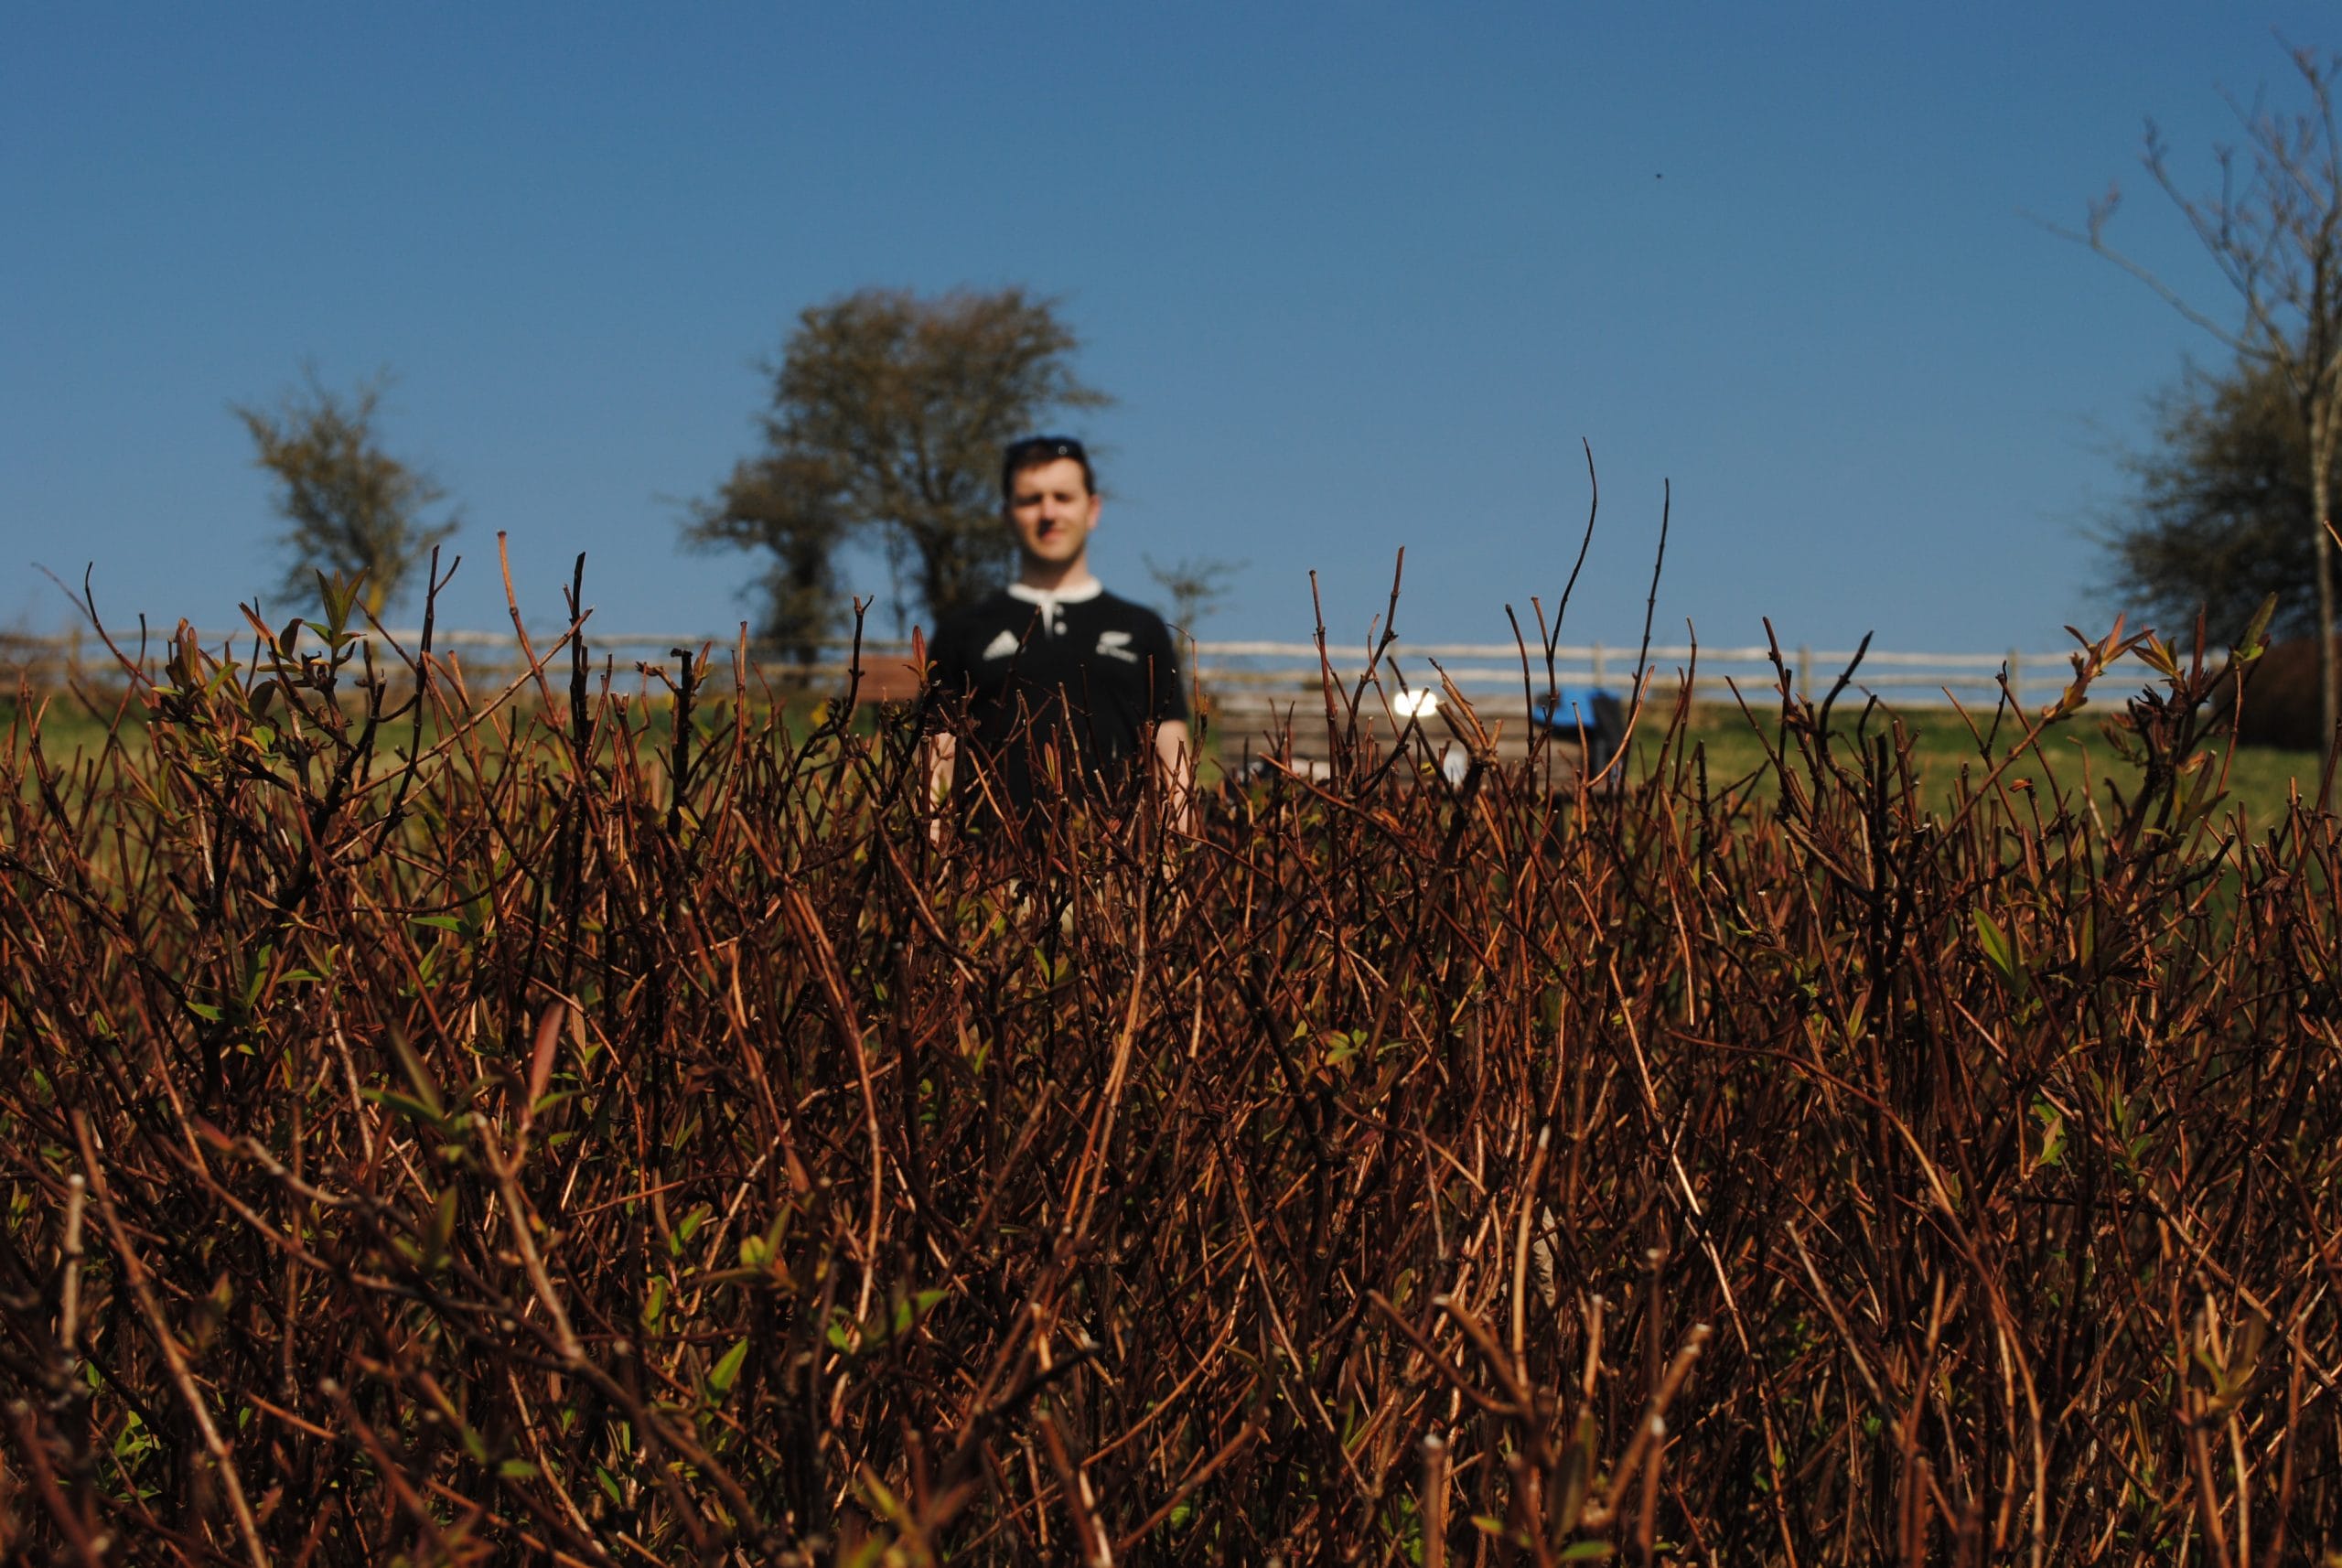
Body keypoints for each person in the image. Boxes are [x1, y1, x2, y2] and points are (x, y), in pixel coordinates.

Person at [924, 435, 1195, 836]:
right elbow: (937, 768)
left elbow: (1172, 759)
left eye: (1063, 497)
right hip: (991, 883)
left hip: (1118, 881)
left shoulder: (1143, 629)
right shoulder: (963, 632)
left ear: (1093, 509)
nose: (1048, 512)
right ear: (1006, 514)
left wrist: (1171, 872)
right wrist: (938, 879)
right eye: (1031, 500)